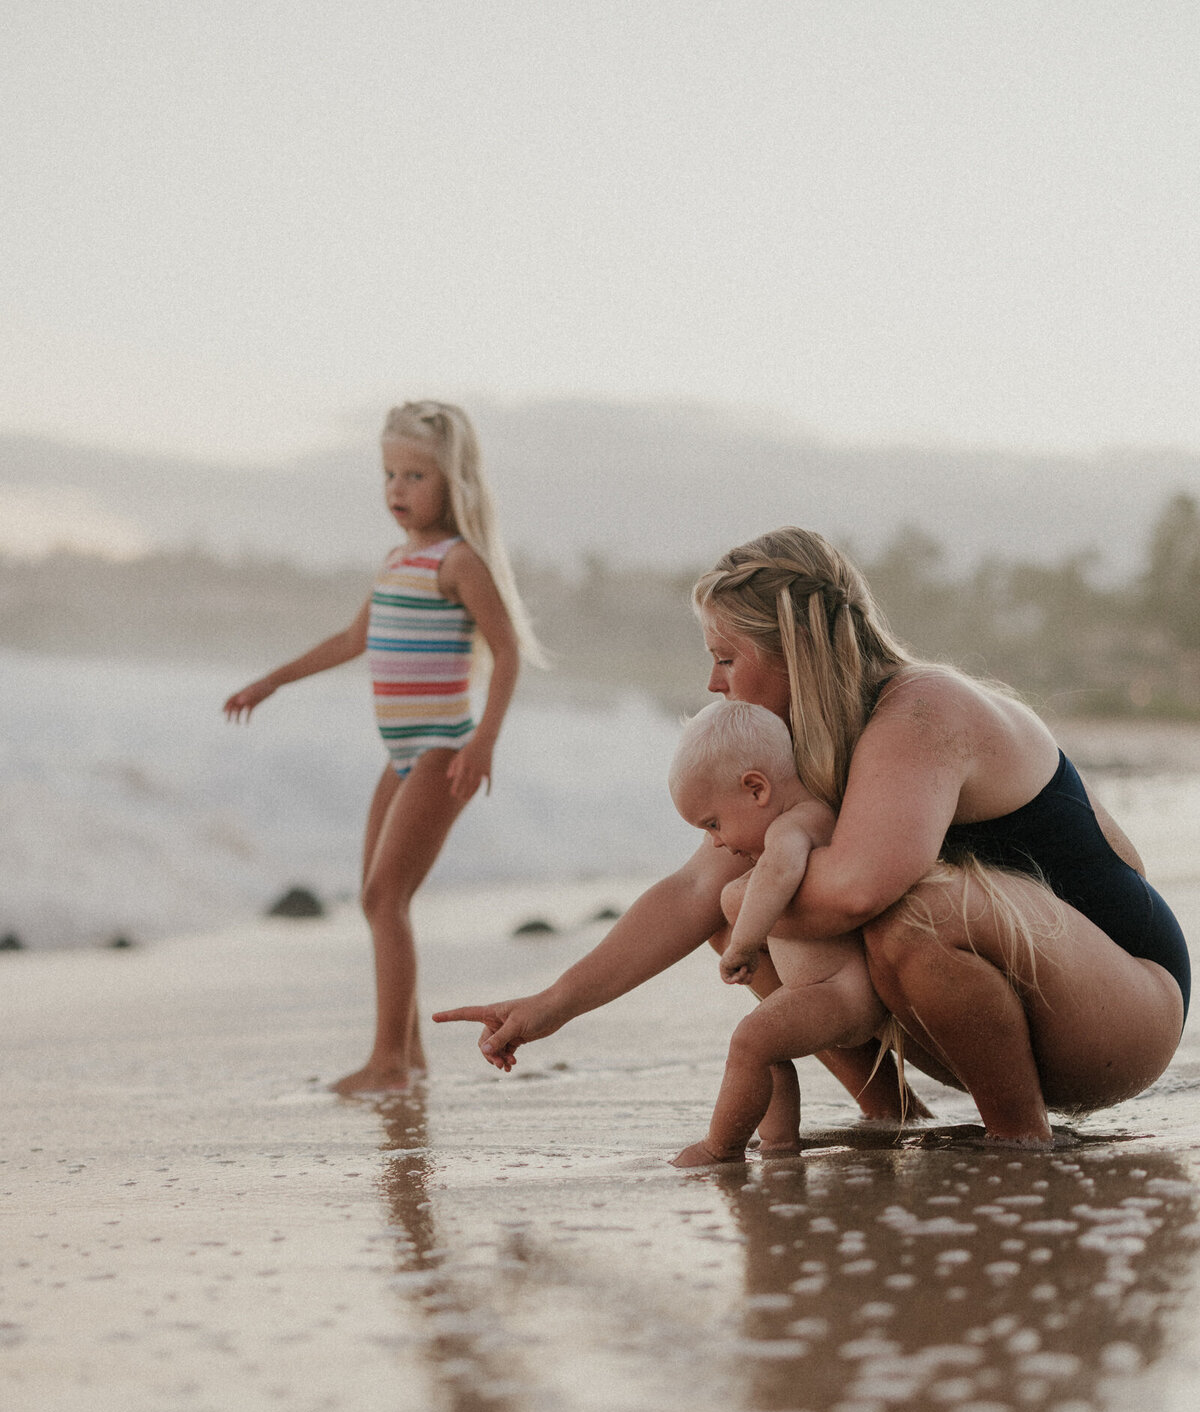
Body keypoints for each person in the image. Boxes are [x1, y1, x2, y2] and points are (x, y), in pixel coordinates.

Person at [434, 527, 1189, 1147]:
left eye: (727, 657)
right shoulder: (791, 756)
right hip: (1017, 1009)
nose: (713, 685)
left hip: (1125, 1005)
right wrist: (550, 1004)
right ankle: (892, 1112)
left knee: (901, 910)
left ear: (794, 651)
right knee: (747, 895)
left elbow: (856, 889)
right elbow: (695, 891)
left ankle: (1018, 1139)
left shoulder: (921, 710)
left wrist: (736, 897)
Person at [225, 401, 542, 1094]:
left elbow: (509, 653)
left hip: (441, 750)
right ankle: (410, 1057)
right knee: (379, 898)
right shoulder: (398, 558)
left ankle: (389, 1062)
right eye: (390, 474)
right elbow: (351, 638)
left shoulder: (459, 562)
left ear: (453, 481)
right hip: (399, 755)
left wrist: (483, 742)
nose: (398, 489)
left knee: (383, 895)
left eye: (416, 475)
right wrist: (271, 680)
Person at [667, 699, 894, 1166]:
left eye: (714, 823)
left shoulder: (796, 824)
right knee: (766, 1050)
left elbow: (777, 872)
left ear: (756, 789)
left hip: (839, 994)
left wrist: (745, 943)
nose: (716, 841)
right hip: (829, 991)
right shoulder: (808, 816)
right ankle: (778, 1144)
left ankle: (720, 1147)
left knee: (750, 1042)